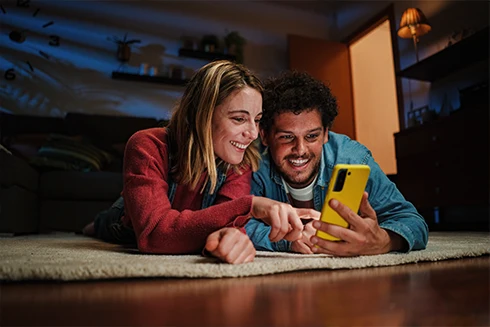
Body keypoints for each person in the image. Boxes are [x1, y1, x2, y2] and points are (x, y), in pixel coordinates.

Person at [83, 61, 314, 264]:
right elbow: (154, 236)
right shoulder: (147, 144)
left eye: (257, 120)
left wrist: (230, 238)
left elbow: (227, 227)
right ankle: (91, 226)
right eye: (239, 119)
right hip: (127, 222)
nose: (253, 133)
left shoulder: (240, 162)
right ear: (201, 114)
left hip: (188, 227)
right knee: (103, 226)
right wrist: (250, 206)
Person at [245, 71, 429, 256]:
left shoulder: (355, 159)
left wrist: (385, 241)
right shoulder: (252, 162)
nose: (300, 150)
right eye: (286, 137)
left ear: (326, 134)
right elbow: (230, 222)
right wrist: (287, 240)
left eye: (312, 136)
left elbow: (413, 222)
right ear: (265, 136)